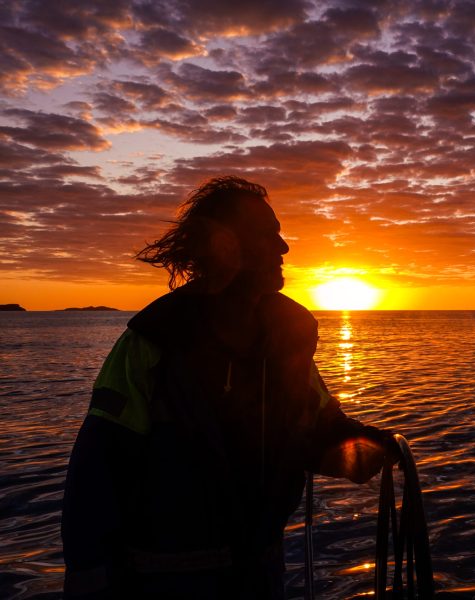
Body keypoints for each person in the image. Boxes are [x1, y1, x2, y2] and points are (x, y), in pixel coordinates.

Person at [61, 176, 398, 599]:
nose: (284, 248)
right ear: (224, 245)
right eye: (268, 234)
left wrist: (366, 447)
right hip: (168, 579)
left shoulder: (287, 337)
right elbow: (96, 468)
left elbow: (318, 428)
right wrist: (89, 577)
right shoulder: (151, 343)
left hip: (261, 565)